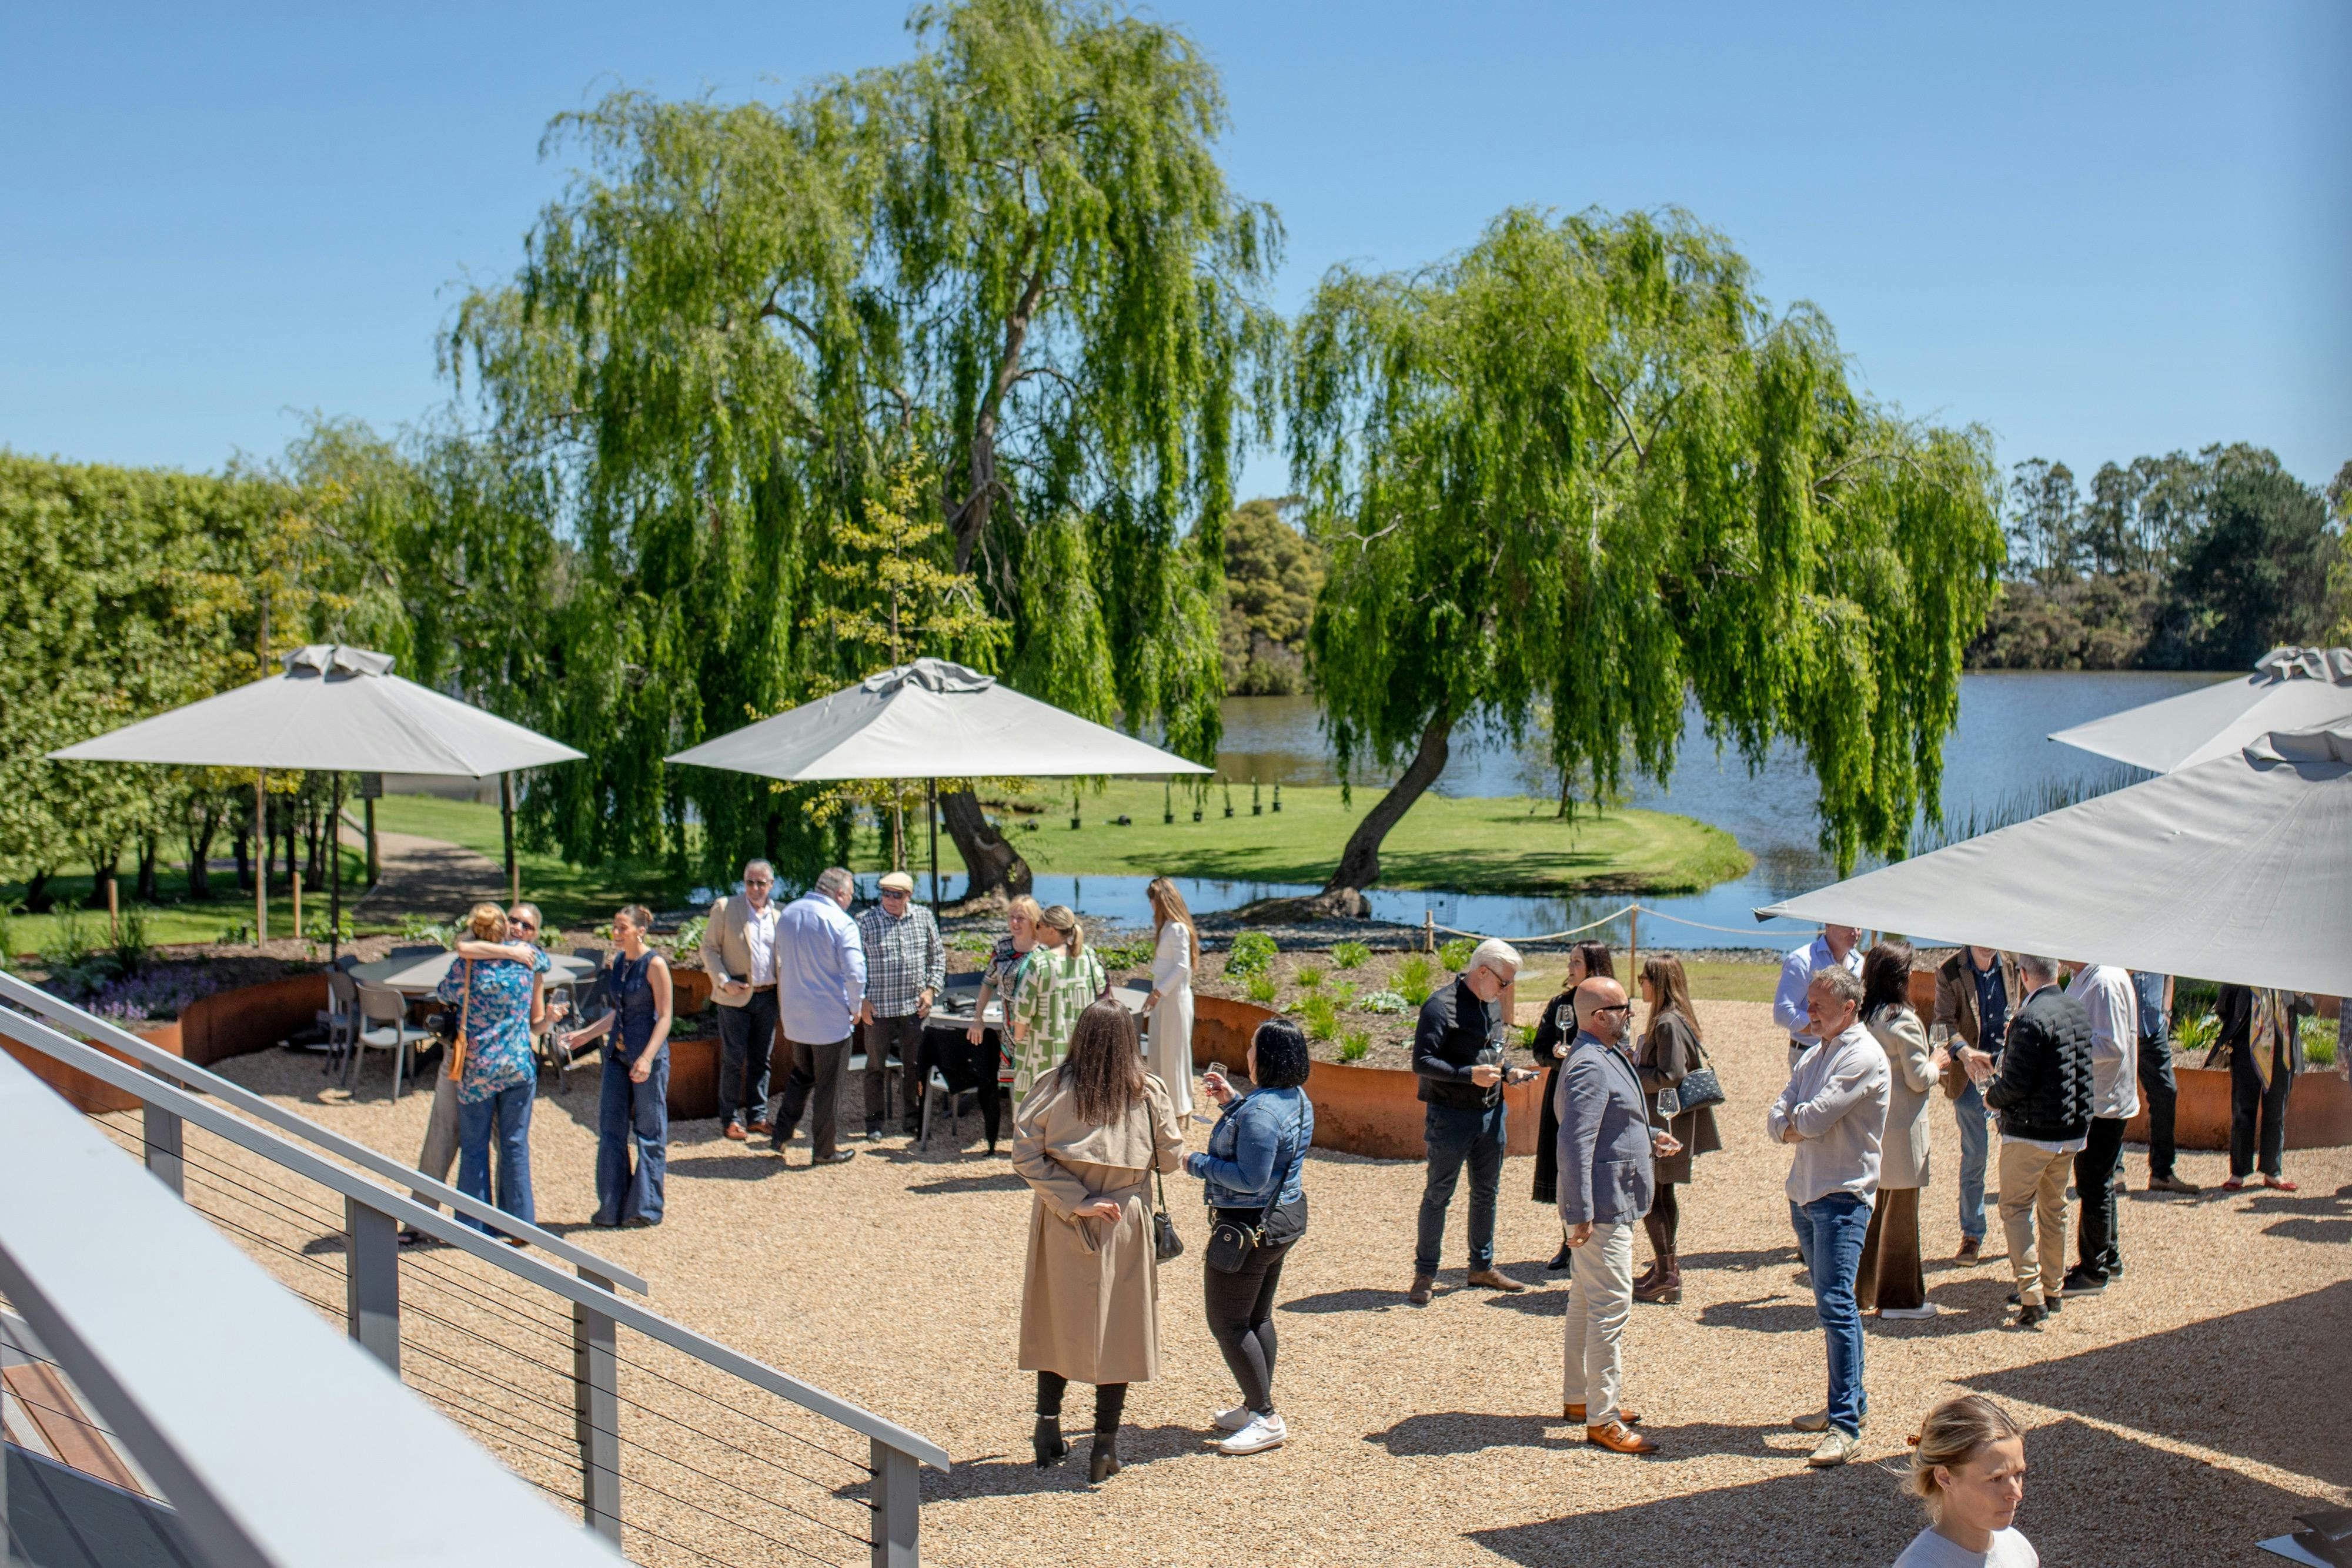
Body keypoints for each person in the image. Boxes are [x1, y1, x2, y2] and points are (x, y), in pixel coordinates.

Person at [1013, 998, 1185, 1484]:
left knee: (1056, 1319)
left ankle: (1047, 1427)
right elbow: (1169, 1160)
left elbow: (1025, 1155)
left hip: (1064, 1218)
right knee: (1120, 1329)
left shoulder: (1054, 1085)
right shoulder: (1149, 1092)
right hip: (1124, 1220)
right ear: (1130, 1040)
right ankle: (1104, 1446)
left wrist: (1075, 1197)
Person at [1766, 964, 1888, 1467]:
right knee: (1829, 1305)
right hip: (1807, 1193)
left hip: (1842, 1197)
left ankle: (1845, 1424)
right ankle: (1849, 1401)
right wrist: (1794, 1124)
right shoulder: (1817, 1053)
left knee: (1838, 1305)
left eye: (1817, 1005)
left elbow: (1812, 1117)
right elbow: (1780, 1114)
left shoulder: (1861, 1055)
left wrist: (1795, 1123)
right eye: (1809, 1002)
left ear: (1849, 1008)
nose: (1808, 1011)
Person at [1186, 1018, 1315, 1457]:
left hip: (1248, 1225)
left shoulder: (1261, 1112)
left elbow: (1249, 1176)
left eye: (1253, 1048)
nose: (1248, 1055)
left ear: (1268, 1057)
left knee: (1227, 1321)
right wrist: (1232, 1102)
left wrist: (1194, 1161)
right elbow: (1269, 1144)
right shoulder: (1294, 1098)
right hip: (1283, 1217)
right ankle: (1253, 1403)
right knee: (1257, 1316)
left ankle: (1265, 1415)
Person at [1558, 975, 1672, 1455]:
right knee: (1611, 1310)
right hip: (1603, 1208)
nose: (1631, 1013)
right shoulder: (1588, 1063)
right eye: (1623, 1007)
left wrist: (1649, 1136)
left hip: (1608, 1201)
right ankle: (1603, 1417)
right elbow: (1576, 1142)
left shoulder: (1602, 1055)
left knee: (1586, 1302)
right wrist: (1581, 1213)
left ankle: (1581, 1399)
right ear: (1599, 1016)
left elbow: (1613, 1120)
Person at [1408, 938, 1536, 1306]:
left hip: (1492, 1113)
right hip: (1450, 1116)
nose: (1506, 989)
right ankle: (1425, 1274)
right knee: (1438, 1195)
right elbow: (1422, 1062)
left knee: (1486, 1193)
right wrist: (1469, 1075)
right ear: (1482, 972)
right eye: (1504, 982)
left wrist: (1509, 1072)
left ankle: (1481, 1267)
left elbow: (1490, 1057)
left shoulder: (1491, 1005)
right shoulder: (1439, 1006)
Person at [409, 902, 547, 1229]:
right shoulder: (528, 962)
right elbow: (542, 960)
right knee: (514, 1147)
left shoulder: (465, 968)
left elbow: (444, 993)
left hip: (477, 1070)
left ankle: (473, 1225)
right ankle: (520, 1226)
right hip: (517, 1067)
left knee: (474, 1148)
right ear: (504, 929)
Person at [1982, 954, 2092, 1329]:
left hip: (2032, 1133)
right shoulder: (2076, 1008)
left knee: (2014, 1209)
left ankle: (2032, 1297)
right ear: (2057, 972)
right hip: (2070, 1132)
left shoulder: (2028, 1019)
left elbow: (2014, 1084)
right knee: (2054, 1210)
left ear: (2024, 975)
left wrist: (1989, 1097)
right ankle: (2053, 1289)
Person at [563, 906, 673, 1228]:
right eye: (614, 927)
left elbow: (665, 1017)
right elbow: (618, 1014)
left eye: (622, 927)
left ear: (640, 930)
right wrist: (585, 1035)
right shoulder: (620, 964)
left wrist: (647, 1058)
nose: (615, 933)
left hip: (647, 1058)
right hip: (616, 1057)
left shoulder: (655, 965)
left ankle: (646, 1209)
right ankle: (611, 1207)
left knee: (649, 1133)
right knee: (610, 1132)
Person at [1856, 941, 1945, 1319]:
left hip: (1873, 1128)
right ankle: (1900, 1299)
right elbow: (1919, 1078)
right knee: (1902, 1222)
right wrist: (1938, 1061)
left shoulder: (1864, 1018)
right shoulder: (1902, 1020)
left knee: (1874, 1218)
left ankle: (1864, 1292)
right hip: (1904, 1130)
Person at [1632, 952, 1720, 1305]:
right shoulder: (1676, 1019)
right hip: (1671, 1120)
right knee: (1663, 1194)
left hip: (1665, 1121)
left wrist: (1631, 1073)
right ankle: (1664, 1268)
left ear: (1658, 981)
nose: (1640, 982)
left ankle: (1666, 1274)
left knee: (1653, 1197)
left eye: (1644, 977)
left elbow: (1671, 1075)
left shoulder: (1667, 1022)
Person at [771, 867, 868, 1167]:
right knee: (829, 1084)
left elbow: (779, 956)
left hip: (794, 1013)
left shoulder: (787, 914)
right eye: (850, 895)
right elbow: (855, 972)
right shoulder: (841, 921)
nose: (850, 901)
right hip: (828, 1015)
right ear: (840, 894)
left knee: (802, 1073)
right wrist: (856, 1007)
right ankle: (824, 1149)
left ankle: (782, 1133)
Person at [1531, 941, 1615, 1271]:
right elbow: (1539, 1051)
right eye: (1570, 960)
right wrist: (1556, 1056)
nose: (1570, 967)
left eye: (1576, 962)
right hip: (1562, 1089)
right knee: (1566, 1165)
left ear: (1593, 966)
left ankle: (1602, 1239)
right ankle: (1568, 1241)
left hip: (1599, 1093)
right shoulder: (1559, 1004)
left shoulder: (1613, 1002)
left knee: (1596, 1163)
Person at [1935, 945, 2020, 1264]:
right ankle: (1972, 1235)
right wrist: (1966, 1054)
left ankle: (2020, 1233)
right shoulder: (1950, 970)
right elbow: (1942, 1025)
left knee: (2020, 1153)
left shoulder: (2012, 963)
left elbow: (2022, 1008)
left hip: (2010, 1072)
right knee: (1975, 1157)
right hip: (1970, 1075)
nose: (1987, 943)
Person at [2062, 958, 2139, 1293]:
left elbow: (2113, 1045)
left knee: (2092, 1185)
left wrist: (2062, 1042)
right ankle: (2109, 1259)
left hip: (2103, 1102)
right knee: (2100, 1182)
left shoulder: (2103, 981)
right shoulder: (2087, 977)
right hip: (2098, 1098)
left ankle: (2093, 1270)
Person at [1891, 1395, 2037, 1567]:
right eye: (1996, 1479)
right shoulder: (1921, 1564)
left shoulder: (2018, 1548)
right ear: (1945, 1478)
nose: (2016, 1494)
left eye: (2018, 1474)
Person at [856, 870, 945, 1141]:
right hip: (878, 1010)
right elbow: (851, 966)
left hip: (913, 1009)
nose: (890, 899)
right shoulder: (864, 922)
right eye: (885, 893)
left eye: (897, 895)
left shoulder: (923, 917)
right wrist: (861, 1000)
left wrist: (931, 990)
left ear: (908, 896)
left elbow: (938, 956)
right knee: (875, 1067)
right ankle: (874, 1123)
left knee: (914, 1067)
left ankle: (913, 1120)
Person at [701, 860, 783, 1142]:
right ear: (744, 882)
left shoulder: (780, 914)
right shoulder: (726, 908)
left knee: (762, 1060)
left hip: (769, 996)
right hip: (734, 998)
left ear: (772, 884)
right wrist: (724, 981)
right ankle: (730, 1119)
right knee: (734, 1060)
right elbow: (709, 949)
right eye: (750, 882)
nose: (756, 888)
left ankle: (758, 1116)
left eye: (762, 883)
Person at [2213, 984, 2306, 1193]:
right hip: (2247, 1050)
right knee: (2242, 1112)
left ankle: (2273, 1172)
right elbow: (2223, 1007)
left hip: (2283, 1053)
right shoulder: (2244, 969)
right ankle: (2238, 1173)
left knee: (2276, 1113)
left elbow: (2308, 1008)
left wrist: (2299, 992)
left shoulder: (2294, 972)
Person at [1008, 905, 1105, 1098]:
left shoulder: (1041, 962)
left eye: (1039, 925)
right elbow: (1101, 987)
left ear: (1051, 930)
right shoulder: (1087, 955)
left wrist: (1018, 1040)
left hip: (1043, 1050)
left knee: (1037, 1109)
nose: (1037, 929)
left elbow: (1023, 1009)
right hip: (1080, 1047)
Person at [2132, 971, 2196, 1194]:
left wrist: (2166, 1013)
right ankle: (2114, 1172)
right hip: (2121, 1023)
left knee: (2166, 1092)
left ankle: (2162, 1173)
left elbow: (2169, 973)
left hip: (2153, 1026)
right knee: (2113, 1095)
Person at [1142, 877, 1201, 1121]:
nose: (1152, 906)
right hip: (1166, 1001)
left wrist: (1158, 993)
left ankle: (1177, 1107)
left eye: (1154, 901)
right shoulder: (1168, 927)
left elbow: (1181, 966)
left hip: (1173, 1001)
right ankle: (1163, 1101)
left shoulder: (1177, 929)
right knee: (1160, 1050)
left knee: (1173, 1053)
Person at [1775, 924, 1864, 1069]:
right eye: (1848, 926)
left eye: (1859, 927)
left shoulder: (1859, 962)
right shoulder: (1802, 960)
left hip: (1846, 1052)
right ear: (1828, 925)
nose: (1856, 933)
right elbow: (1783, 1013)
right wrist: (1827, 1027)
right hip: (1808, 1052)